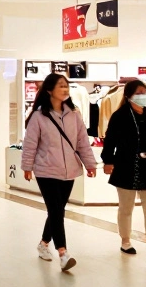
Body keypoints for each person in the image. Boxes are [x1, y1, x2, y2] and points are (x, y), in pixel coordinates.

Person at [21, 73, 97, 272]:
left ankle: (43, 244)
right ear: (49, 90)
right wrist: (27, 167)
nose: (65, 89)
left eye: (66, 86)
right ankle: (63, 253)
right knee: (56, 211)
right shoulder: (39, 116)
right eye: (60, 86)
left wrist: (90, 164)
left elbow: (82, 141)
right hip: (46, 170)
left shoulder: (74, 114)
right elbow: (30, 145)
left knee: (57, 210)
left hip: (69, 170)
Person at [101, 80, 146, 261]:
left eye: (145, 91)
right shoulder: (120, 116)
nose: (144, 94)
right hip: (126, 165)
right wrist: (108, 160)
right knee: (126, 207)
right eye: (139, 92)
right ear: (129, 95)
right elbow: (110, 140)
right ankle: (125, 241)